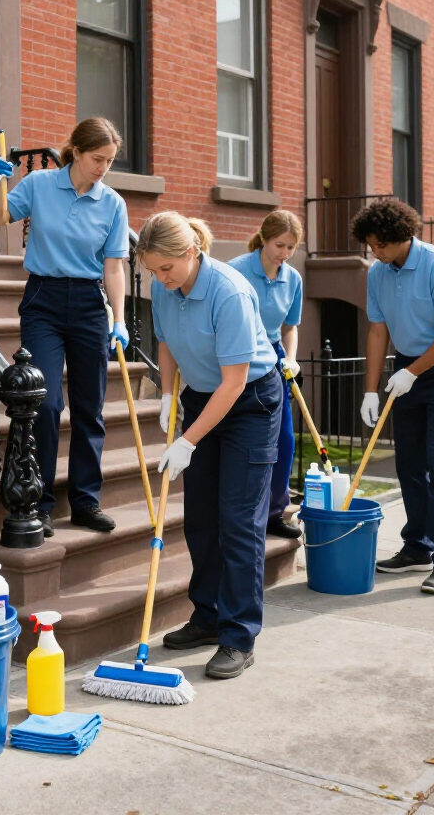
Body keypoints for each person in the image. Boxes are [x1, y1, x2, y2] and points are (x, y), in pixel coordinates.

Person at [136, 212, 282, 680]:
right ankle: (207, 615)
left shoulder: (230, 291)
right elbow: (166, 341)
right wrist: (166, 393)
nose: (160, 279)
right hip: (201, 396)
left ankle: (238, 635)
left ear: (192, 253)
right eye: (153, 270)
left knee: (238, 520)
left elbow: (235, 383)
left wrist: (187, 440)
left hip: (249, 402)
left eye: (166, 269)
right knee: (200, 519)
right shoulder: (164, 286)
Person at [0, 117, 129, 536]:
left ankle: (85, 500)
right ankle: (40, 501)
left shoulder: (112, 204)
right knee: (43, 403)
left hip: (88, 304)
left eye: (110, 161)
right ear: (77, 152)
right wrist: (1, 184)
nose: (103, 167)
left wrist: (118, 319)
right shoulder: (40, 184)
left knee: (90, 405)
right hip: (43, 299)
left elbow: (115, 267)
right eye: (97, 158)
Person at [351, 199, 434, 596]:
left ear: (401, 237)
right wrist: (371, 388)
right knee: (409, 464)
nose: (375, 252)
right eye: (370, 245)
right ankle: (418, 546)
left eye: (380, 245)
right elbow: (376, 331)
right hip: (408, 365)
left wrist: (412, 372)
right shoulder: (379, 273)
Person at [228, 210, 305, 540]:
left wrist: (292, 359)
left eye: (291, 248)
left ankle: (275, 512)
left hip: (273, 356)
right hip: (238, 353)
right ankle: (242, 513)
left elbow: (290, 327)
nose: (284, 254)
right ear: (263, 237)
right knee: (243, 438)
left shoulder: (293, 279)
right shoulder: (235, 271)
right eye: (279, 245)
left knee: (284, 440)